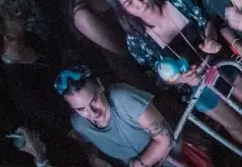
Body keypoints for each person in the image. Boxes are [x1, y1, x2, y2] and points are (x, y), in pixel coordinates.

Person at [105, 0, 242, 156]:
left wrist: (210, 39)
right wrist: (181, 79)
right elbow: (157, 77)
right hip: (196, 89)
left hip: (217, 63)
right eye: (129, 3)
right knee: (235, 126)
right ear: (123, 11)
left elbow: (206, 22)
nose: (139, 1)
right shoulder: (136, 41)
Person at [11, 66, 174, 167]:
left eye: (94, 100)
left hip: (172, 155)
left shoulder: (123, 98)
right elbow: (93, 148)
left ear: (100, 86)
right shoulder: (79, 124)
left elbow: (165, 139)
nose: (93, 113)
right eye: (81, 109)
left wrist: (139, 164)